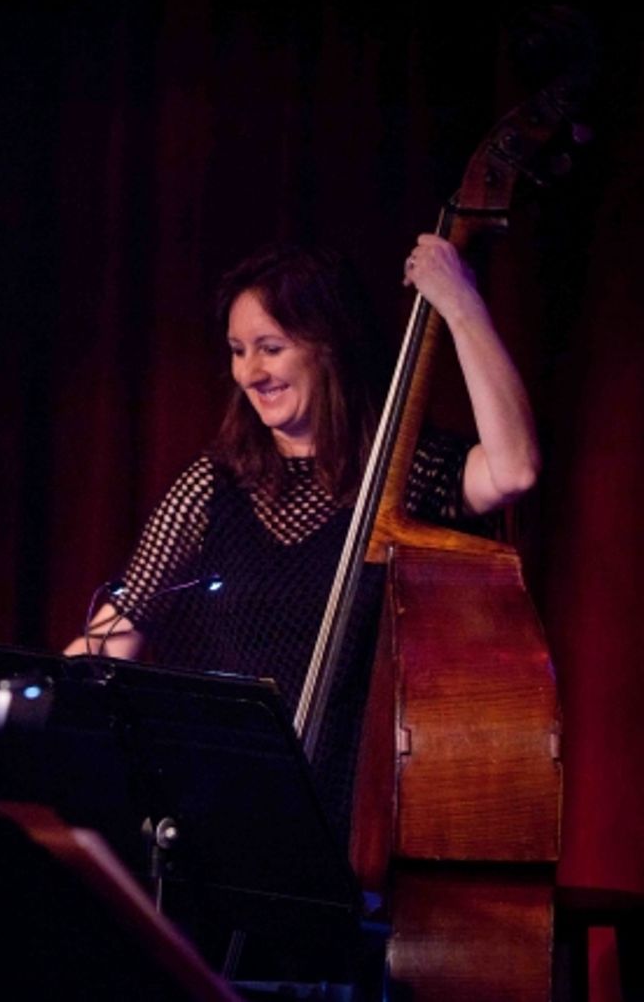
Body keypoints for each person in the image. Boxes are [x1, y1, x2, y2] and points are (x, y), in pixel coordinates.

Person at [65, 237, 539, 843]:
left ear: (329, 345)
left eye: (271, 348)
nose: (249, 373)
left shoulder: (405, 477)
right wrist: (22, 704)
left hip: (369, 821)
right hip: (228, 812)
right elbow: (115, 633)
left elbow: (514, 469)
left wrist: (460, 305)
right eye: (237, 351)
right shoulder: (214, 484)